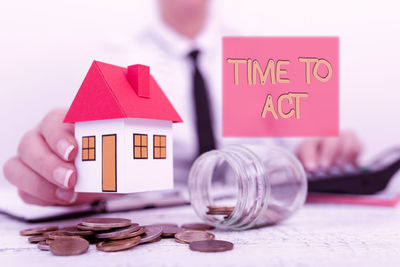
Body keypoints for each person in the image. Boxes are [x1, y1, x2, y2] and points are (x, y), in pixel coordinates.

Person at [2, 0, 362, 206]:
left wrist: (327, 143)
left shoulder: (263, 54)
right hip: (161, 218)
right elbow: (99, 151)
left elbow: (306, 147)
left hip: (256, 211)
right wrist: (68, 162)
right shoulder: (116, 56)